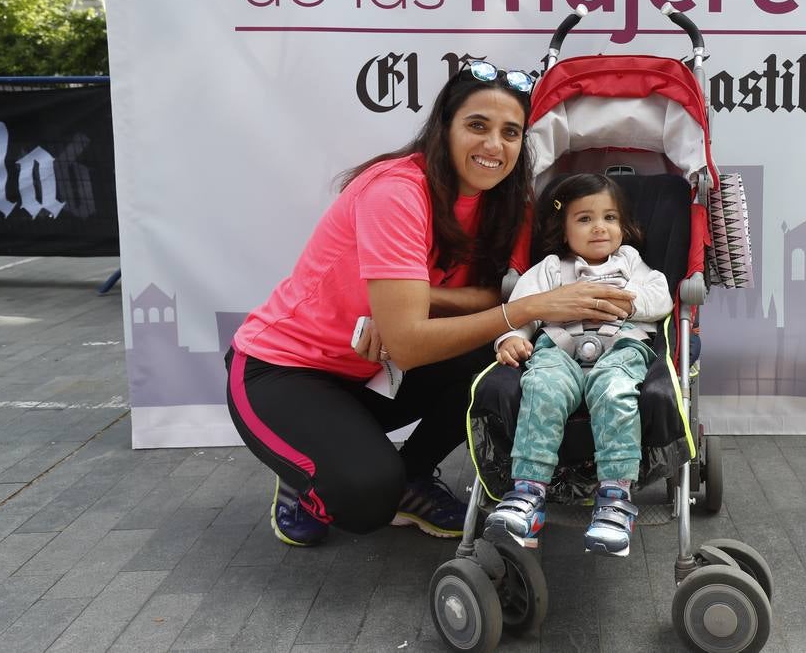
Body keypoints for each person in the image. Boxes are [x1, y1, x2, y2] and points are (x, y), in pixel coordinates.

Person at [225, 63, 638, 546]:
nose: (493, 146)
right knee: (363, 498)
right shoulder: (397, 192)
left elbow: (496, 292)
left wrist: (414, 298)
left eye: (510, 133)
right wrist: (526, 307)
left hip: (370, 371)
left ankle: (411, 477)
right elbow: (414, 342)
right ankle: (306, 476)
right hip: (284, 370)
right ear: (443, 127)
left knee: (501, 354)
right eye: (477, 126)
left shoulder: (508, 203)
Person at [483, 173, 672, 557]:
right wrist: (513, 336)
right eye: (584, 219)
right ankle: (527, 494)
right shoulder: (551, 268)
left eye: (610, 218)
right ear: (564, 230)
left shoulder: (631, 263)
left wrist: (632, 302)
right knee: (540, 388)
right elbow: (522, 303)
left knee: (615, 390)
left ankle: (616, 497)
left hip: (621, 347)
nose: (599, 227)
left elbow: (662, 296)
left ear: (624, 226)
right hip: (559, 347)